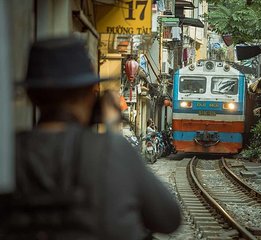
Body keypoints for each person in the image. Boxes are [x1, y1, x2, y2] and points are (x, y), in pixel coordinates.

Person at [2, 37, 181, 240]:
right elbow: (168, 219)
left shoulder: (8, 152)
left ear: (31, 95)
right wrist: (112, 131)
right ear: (90, 93)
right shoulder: (113, 150)